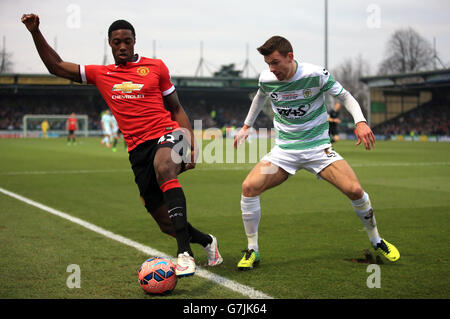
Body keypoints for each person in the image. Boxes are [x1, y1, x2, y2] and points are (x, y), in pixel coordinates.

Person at [22, 13, 223, 277]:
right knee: (165, 223)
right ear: (110, 44)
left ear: (134, 41)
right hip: (137, 151)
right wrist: (35, 32)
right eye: (117, 42)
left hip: (167, 134)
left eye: (127, 41)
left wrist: (192, 144)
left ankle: (184, 254)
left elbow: (176, 108)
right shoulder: (101, 74)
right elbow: (57, 66)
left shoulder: (156, 67)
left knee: (164, 168)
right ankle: (207, 241)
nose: (122, 46)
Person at [233, 36, 399, 270]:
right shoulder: (267, 78)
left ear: (290, 57)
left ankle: (376, 240)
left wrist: (360, 121)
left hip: (318, 149)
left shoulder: (315, 74)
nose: (272, 68)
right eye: (268, 63)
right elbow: (260, 96)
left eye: (275, 62)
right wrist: (247, 126)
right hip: (284, 152)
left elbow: (346, 96)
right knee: (249, 188)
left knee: (354, 190)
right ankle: (252, 251)